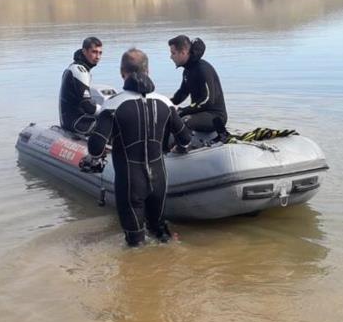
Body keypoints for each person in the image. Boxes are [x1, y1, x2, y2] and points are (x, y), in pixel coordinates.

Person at [85, 48, 192, 247]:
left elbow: (95, 147)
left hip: (130, 182)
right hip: (159, 179)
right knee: (160, 234)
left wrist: (99, 154)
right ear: (148, 71)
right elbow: (185, 138)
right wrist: (177, 148)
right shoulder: (165, 102)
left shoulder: (113, 105)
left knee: (135, 244)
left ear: (122, 73)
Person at [168, 35, 227, 133]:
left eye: (173, 53)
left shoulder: (202, 69)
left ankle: (181, 148)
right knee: (170, 118)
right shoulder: (188, 71)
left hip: (216, 117)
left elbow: (207, 100)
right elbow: (182, 93)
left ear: (183, 52)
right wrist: (165, 104)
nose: (170, 57)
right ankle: (164, 146)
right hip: (200, 113)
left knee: (183, 121)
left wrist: (183, 111)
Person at [59, 37, 103, 135]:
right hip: (76, 123)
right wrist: (109, 111)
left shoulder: (75, 67)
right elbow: (88, 107)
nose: (98, 57)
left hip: (71, 120)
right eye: (94, 52)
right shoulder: (79, 71)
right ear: (84, 51)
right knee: (113, 122)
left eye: (100, 53)